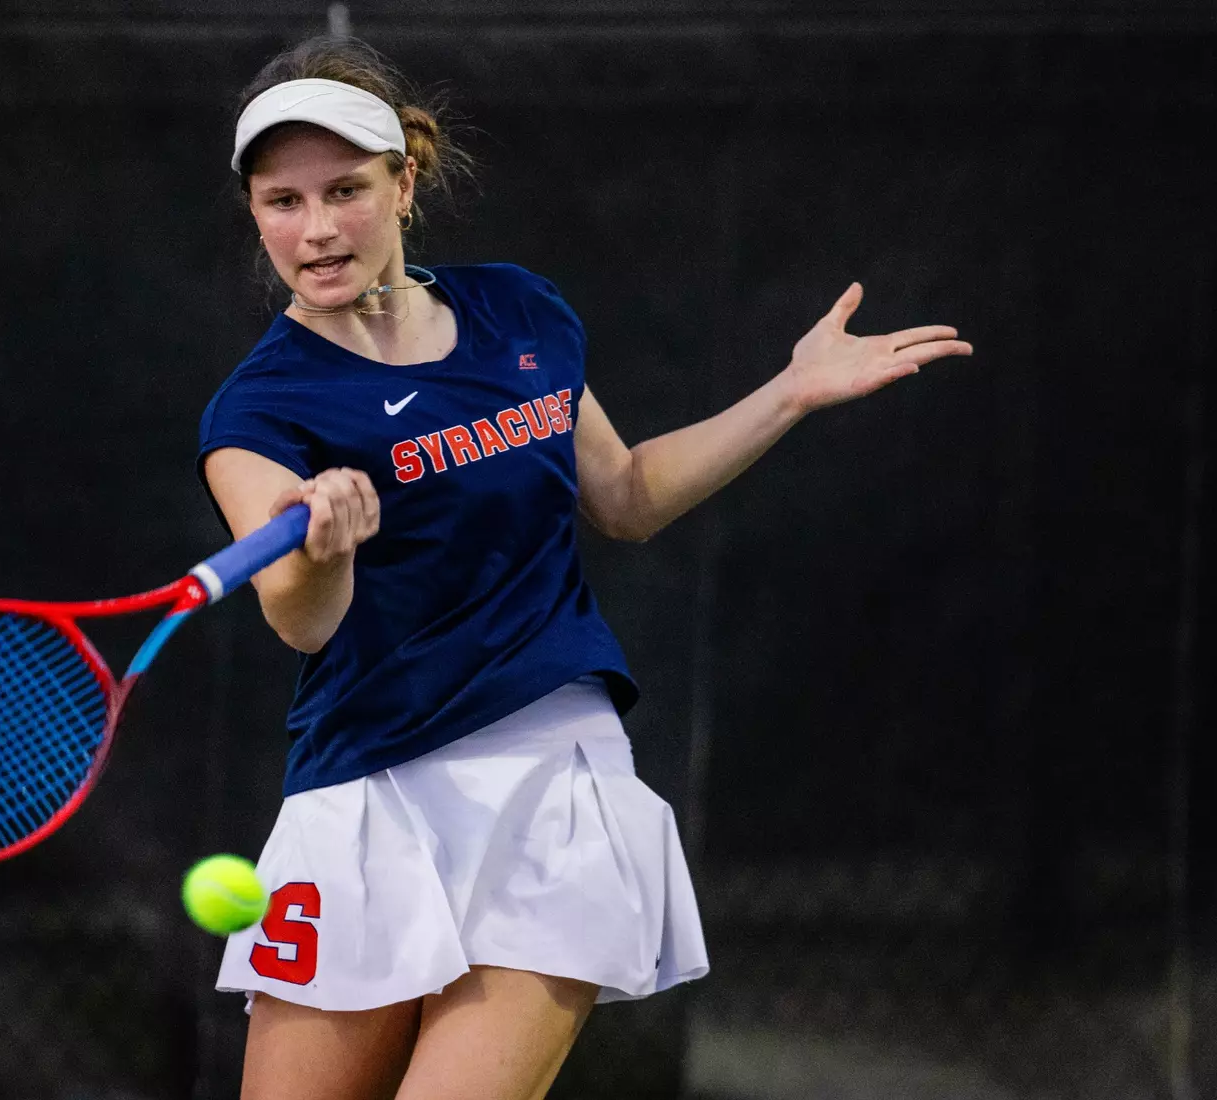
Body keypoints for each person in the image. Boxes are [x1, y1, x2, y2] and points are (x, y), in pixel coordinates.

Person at [198, 35, 972, 1100]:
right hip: (364, 790)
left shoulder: (518, 312)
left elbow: (624, 494)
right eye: (282, 201)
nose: (318, 229)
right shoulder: (256, 409)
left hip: (552, 774)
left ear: (406, 181)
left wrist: (786, 393)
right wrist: (323, 548)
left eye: (346, 189)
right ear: (252, 209)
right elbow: (300, 619)